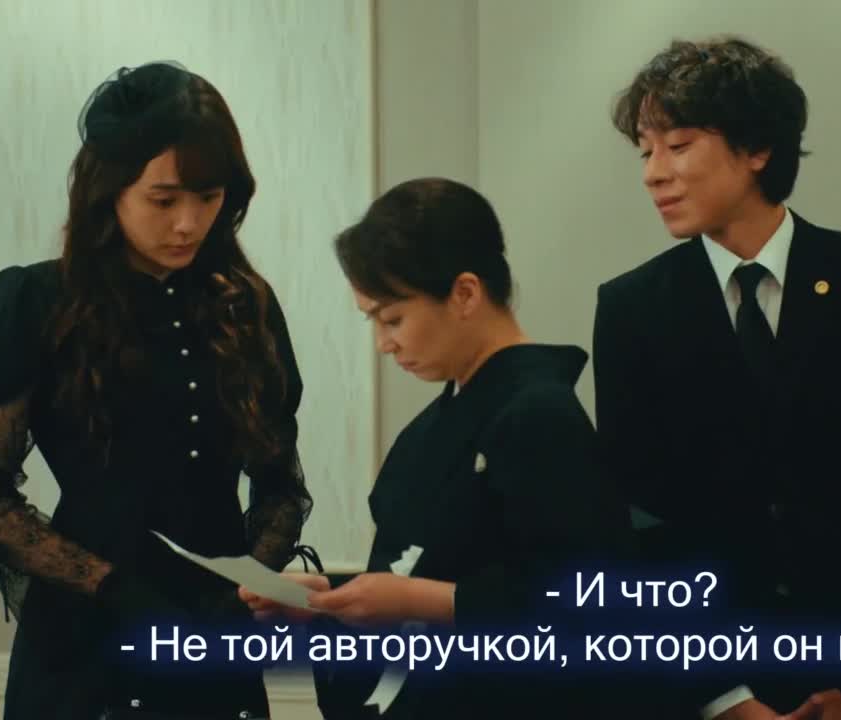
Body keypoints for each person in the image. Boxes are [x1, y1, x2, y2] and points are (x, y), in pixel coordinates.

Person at [593, 36, 841, 719]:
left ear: (757, 149)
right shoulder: (632, 307)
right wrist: (726, 699)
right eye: (645, 152)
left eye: (678, 145)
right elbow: (639, 523)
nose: (654, 174)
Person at [241, 177, 635, 719]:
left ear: (465, 293)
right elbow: (421, 568)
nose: (384, 343)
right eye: (375, 322)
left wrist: (421, 602)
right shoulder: (437, 423)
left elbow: (584, 599)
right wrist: (331, 596)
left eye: (393, 319)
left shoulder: (539, 414)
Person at [0, 61, 312, 718]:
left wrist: (249, 583)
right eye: (163, 201)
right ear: (108, 190)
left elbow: (280, 485)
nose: (189, 223)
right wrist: (111, 588)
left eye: (209, 197)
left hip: (215, 632)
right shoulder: (37, 300)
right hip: (85, 635)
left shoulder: (243, 305)